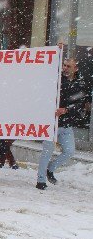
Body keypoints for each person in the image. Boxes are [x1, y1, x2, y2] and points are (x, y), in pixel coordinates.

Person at [36, 58, 88, 190]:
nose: (65, 68)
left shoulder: (80, 83)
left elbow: (80, 103)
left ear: (75, 69)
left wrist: (66, 110)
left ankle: (50, 169)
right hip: (51, 123)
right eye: (64, 65)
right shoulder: (56, 78)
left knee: (69, 151)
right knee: (47, 151)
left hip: (66, 124)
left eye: (68, 66)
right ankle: (40, 180)